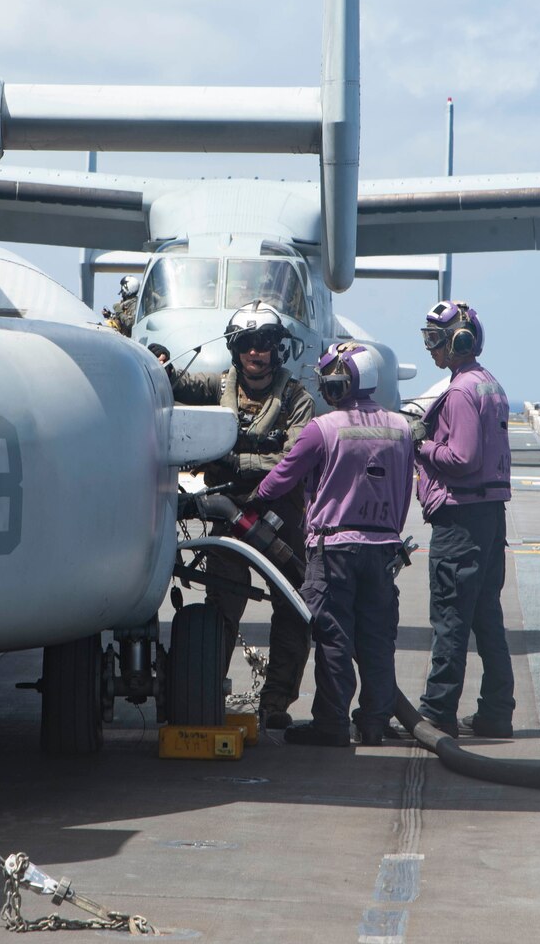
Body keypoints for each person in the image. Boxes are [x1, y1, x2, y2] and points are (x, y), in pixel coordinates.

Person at [251, 343, 414, 747]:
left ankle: (331, 723)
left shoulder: (323, 428)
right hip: (384, 549)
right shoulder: (402, 427)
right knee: (377, 639)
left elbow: (281, 478)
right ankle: (374, 723)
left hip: (334, 548)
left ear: (338, 384)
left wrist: (254, 496)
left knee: (334, 637)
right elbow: (407, 485)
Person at [173, 301, 314, 729]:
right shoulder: (216, 388)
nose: (257, 351)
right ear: (236, 348)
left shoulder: (296, 399)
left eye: (266, 342)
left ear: (278, 349)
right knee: (222, 606)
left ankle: (274, 704)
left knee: (292, 609)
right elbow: (173, 381)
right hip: (228, 516)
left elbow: (294, 460)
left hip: (279, 517)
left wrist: (239, 465)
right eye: (249, 343)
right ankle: (205, 690)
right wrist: (158, 361)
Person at [404, 300, 513, 739]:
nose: (431, 349)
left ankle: (436, 712)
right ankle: (496, 712)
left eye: (436, 341)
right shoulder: (490, 384)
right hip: (489, 516)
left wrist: (421, 444)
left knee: (450, 617)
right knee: (486, 615)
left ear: (458, 342)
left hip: (461, 518)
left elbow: (462, 458)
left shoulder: (462, 392)